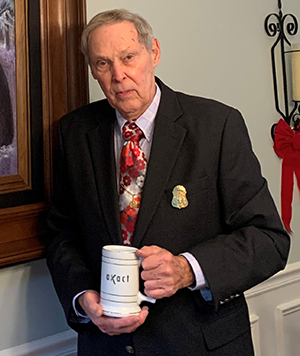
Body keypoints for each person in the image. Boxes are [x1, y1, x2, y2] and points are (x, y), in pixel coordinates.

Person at [46, 9, 290, 356]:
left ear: (154, 53)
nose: (119, 75)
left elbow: (269, 241)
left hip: (200, 344)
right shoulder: (74, 132)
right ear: (92, 70)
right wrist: (83, 297)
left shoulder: (217, 125)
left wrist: (186, 269)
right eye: (103, 64)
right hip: (107, 346)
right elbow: (62, 234)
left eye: (128, 57)